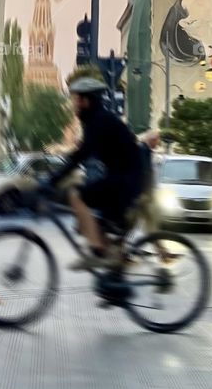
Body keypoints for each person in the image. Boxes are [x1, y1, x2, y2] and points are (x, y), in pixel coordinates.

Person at [47, 77, 145, 269]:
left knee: (76, 196)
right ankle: (113, 263)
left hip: (125, 181)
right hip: (125, 179)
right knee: (91, 223)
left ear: (86, 101)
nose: (73, 104)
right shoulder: (98, 119)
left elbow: (81, 154)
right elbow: (82, 153)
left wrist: (53, 179)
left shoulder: (98, 121)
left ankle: (96, 251)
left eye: (75, 99)